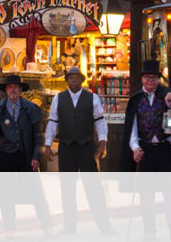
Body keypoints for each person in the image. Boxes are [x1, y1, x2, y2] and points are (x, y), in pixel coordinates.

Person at [120, 60, 171, 240]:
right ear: (142, 79)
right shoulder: (136, 99)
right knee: (147, 195)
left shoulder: (167, 94)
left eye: (154, 78)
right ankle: (149, 230)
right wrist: (135, 148)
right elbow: (133, 128)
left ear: (158, 79)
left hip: (165, 151)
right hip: (146, 151)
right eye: (147, 78)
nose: (150, 81)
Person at [43, 67, 113, 235]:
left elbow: (100, 121)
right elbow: (53, 122)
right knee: (67, 189)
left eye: (76, 79)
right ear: (67, 81)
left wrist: (103, 141)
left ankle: (104, 225)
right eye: (71, 79)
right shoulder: (58, 99)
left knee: (93, 187)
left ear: (82, 81)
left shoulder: (92, 98)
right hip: (66, 148)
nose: (73, 81)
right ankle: (69, 227)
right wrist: (47, 144)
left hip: (86, 147)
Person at [0, 74, 52, 236]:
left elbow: (37, 136)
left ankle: (46, 224)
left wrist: (36, 156)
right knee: (6, 193)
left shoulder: (30, 108)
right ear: (6, 90)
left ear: (20, 90)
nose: (13, 90)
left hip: (25, 154)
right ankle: (9, 227)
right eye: (10, 87)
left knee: (36, 191)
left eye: (16, 87)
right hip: (4, 155)